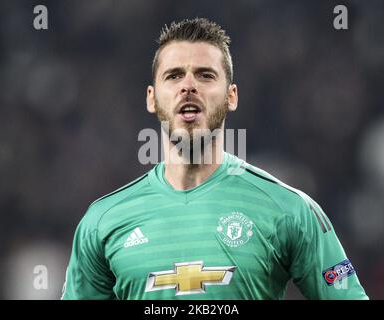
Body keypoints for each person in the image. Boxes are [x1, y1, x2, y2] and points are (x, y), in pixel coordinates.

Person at [61, 18, 368, 300]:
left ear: (231, 95)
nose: (189, 85)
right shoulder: (103, 222)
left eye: (205, 75)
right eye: (174, 75)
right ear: (151, 98)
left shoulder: (289, 211)